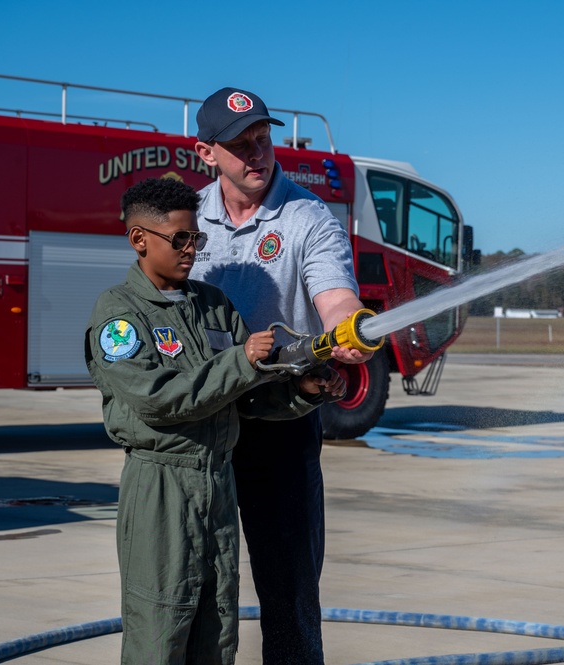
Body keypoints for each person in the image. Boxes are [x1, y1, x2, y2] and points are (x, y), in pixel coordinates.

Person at [84, 177, 344, 665]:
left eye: (195, 238)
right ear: (139, 239)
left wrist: (301, 392)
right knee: (162, 627)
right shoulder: (120, 314)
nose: (190, 250)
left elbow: (244, 397)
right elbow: (155, 398)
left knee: (217, 626)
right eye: (178, 239)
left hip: (217, 482)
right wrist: (242, 362)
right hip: (163, 485)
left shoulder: (214, 306)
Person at [190, 87, 372, 665]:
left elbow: (336, 298)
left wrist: (350, 330)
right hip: (202, 425)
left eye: (263, 138)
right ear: (206, 153)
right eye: (240, 144)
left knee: (289, 593)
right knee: (193, 589)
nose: (257, 153)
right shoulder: (185, 220)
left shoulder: (306, 218)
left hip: (279, 426)